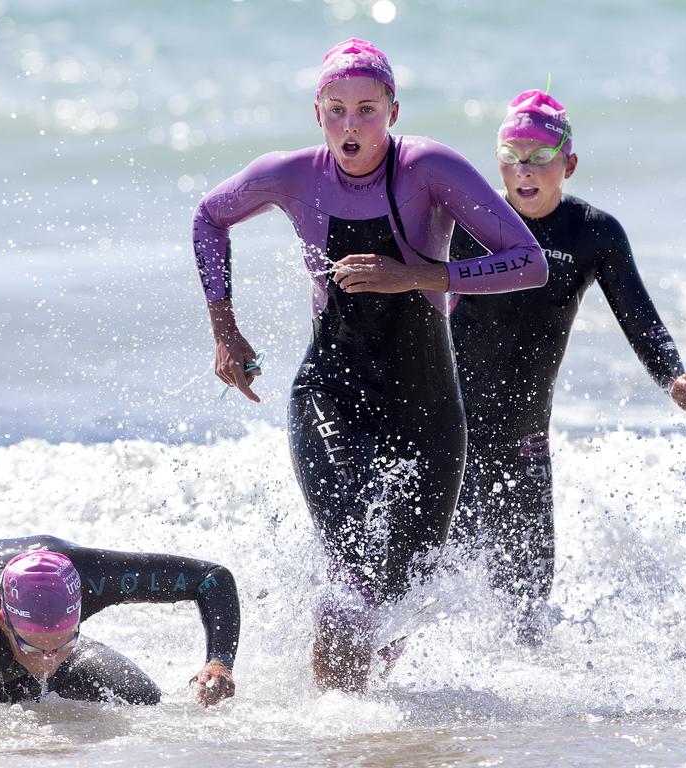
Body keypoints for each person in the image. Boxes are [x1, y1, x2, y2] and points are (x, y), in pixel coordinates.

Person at [191, 39, 547, 691]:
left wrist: (415, 275)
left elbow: (529, 261)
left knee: (402, 589)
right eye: (336, 111)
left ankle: (372, 732)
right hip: (332, 394)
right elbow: (209, 218)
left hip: (427, 404)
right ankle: (334, 725)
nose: (351, 126)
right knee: (354, 568)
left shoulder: (429, 169)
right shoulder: (292, 175)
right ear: (317, 112)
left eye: (367, 110)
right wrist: (225, 331)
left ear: (392, 110)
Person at [448, 89, 686, 642]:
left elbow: (639, 317)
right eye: (513, 154)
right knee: (428, 594)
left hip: (524, 443)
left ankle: (523, 726)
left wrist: (672, 376)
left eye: (541, 156)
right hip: (450, 435)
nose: (525, 169)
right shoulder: (465, 222)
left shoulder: (593, 233)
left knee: (527, 611)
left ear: (569, 163)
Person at [0, 535, 239, 716]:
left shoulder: (92, 577)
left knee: (141, 698)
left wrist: (219, 661)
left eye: (64, 642)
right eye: (35, 647)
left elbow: (211, 578)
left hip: (13, 653)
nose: (48, 662)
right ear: (4, 618)